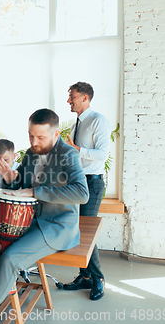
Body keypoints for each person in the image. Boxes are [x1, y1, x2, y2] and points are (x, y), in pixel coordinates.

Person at [0, 109, 89, 324]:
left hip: (57, 225)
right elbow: (21, 187)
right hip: (27, 221)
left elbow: (82, 193)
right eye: (30, 135)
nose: (34, 141)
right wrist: (10, 179)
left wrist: (35, 192)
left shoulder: (68, 155)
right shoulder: (30, 153)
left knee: (11, 259)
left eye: (40, 137)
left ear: (56, 135)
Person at [62, 82, 111, 301]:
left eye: (72, 96)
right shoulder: (77, 124)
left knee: (86, 231)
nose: (68, 101)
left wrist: (77, 150)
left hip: (93, 182)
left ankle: (98, 278)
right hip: (77, 182)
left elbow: (102, 155)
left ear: (85, 98)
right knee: (78, 230)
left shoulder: (98, 121)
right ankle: (85, 277)